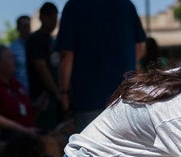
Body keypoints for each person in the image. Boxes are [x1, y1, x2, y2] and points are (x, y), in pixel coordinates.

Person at [55, 0, 146, 132]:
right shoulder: (127, 5)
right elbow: (140, 49)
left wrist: (64, 93)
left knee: (91, 149)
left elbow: (66, 56)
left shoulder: (73, 6)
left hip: (88, 99)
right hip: (126, 98)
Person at [0, 44, 40, 141]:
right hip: (12, 141)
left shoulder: (16, 83)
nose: (14, 61)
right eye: (9, 58)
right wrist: (25, 131)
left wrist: (37, 107)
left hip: (30, 135)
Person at [26, 2, 62, 131]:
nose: (53, 22)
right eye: (50, 18)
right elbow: (41, 67)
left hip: (55, 95)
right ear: (42, 17)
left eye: (55, 18)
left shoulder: (53, 40)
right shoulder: (35, 39)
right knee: (46, 132)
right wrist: (56, 91)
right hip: (42, 96)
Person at [10, 15, 31, 92]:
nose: (27, 29)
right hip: (21, 91)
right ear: (18, 29)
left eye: (28, 26)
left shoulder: (36, 45)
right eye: (24, 26)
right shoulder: (13, 49)